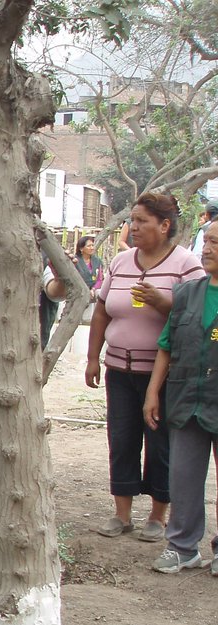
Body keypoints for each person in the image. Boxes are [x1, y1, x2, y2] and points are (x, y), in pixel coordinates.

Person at [85, 192, 204, 541]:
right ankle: (122, 514)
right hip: (119, 369)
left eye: (141, 221)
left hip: (163, 374)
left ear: (164, 226)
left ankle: (157, 514)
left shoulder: (186, 265)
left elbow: (194, 316)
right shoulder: (122, 263)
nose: (133, 227)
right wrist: (94, 357)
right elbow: (102, 311)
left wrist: (162, 301)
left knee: (160, 442)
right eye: (132, 221)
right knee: (121, 439)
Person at [144, 221, 218, 575]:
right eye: (207, 241)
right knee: (184, 476)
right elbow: (166, 347)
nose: (208, 249)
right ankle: (182, 546)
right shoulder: (187, 292)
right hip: (187, 398)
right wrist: (152, 392)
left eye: (216, 243)